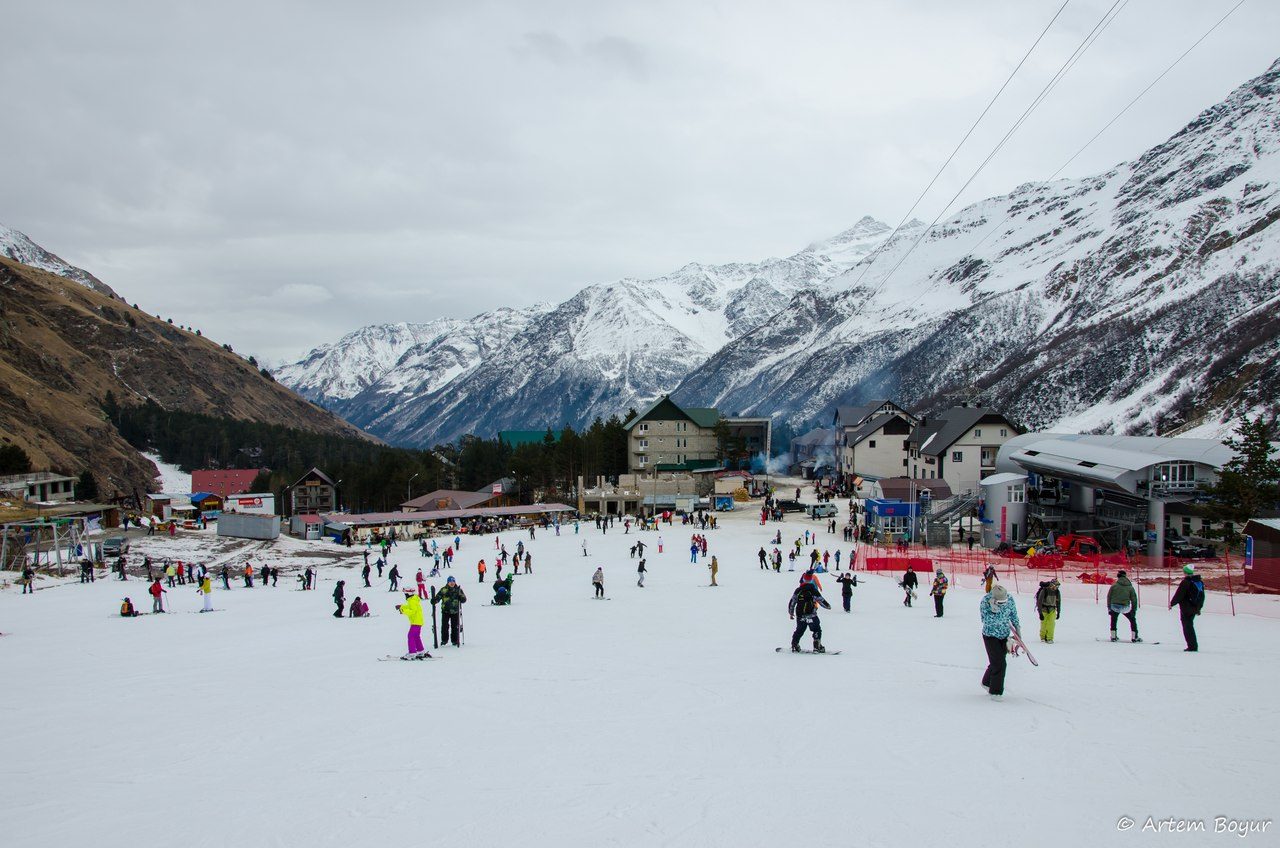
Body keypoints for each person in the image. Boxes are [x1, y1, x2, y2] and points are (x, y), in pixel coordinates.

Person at [979, 584, 1021, 700]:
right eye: (1000, 602)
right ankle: (996, 692)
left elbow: (1013, 614)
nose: (1003, 604)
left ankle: (987, 682)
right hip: (990, 635)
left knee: (997, 661)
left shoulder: (1010, 599)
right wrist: (994, 611)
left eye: (1004, 601)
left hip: (1004, 635)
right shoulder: (985, 601)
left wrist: (1017, 630)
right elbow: (985, 620)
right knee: (1000, 664)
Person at [787, 572, 831, 652]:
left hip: (800, 616)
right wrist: (827, 606)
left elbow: (792, 601)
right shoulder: (813, 590)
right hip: (812, 615)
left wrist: (791, 612)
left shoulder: (798, 590)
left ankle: (794, 644)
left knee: (799, 630)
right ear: (811, 579)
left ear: (803, 579)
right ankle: (817, 646)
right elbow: (820, 600)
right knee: (816, 629)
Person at [1169, 564, 1205, 651]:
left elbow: (1179, 595)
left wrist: (1172, 603)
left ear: (1185, 572)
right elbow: (1202, 596)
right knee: (1189, 625)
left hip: (1186, 608)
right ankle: (1193, 645)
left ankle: (1192, 646)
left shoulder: (1186, 582)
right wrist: (1198, 608)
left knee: (1187, 627)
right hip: (1194, 608)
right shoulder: (1199, 582)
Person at [1107, 570, 1141, 642]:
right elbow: (1134, 599)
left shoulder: (1114, 586)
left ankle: (1113, 636)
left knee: (1114, 619)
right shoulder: (1130, 587)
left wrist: (1109, 608)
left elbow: (1109, 597)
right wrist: (1133, 610)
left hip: (1114, 606)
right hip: (1125, 607)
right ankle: (1134, 637)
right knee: (1132, 620)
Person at [433, 576, 466, 647]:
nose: (452, 583)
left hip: (455, 611)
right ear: (448, 582)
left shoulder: (458, 590)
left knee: (455, 626)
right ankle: (444, 640)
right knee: (445, 626)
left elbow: (464, 598)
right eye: (450, 582)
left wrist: (462, 598)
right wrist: (434, 600)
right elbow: (438, 597)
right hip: (446, 611)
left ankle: (455, 640)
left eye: (453, 581)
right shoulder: (444, 589)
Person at [1035, 579, 1061, 643]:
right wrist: (1040, 613)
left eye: (1057, 586)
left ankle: (1050, 638)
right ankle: (1043, 637)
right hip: (1044, 609)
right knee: (1044, 623)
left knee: (1051, 624)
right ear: (1051, 585)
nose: (1056, 588)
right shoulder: (1044, 591)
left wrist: (1058, 612)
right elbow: (1039, 602)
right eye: (1055, 586)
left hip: (1052, 610)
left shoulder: (1057, 592)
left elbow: (1058, 602)